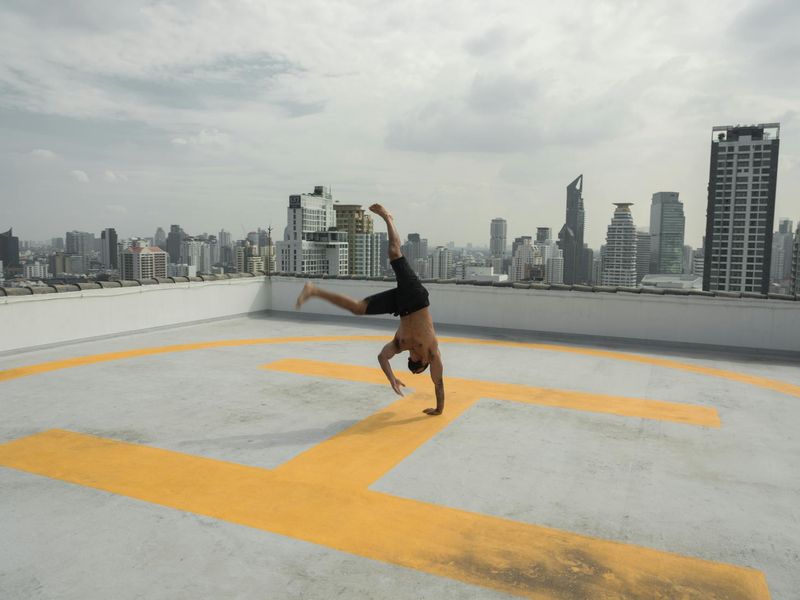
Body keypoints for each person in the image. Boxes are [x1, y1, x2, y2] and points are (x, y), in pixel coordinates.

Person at [295, 204, 445, 415]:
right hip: (417, 299)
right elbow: (438, 384)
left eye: (411, 360)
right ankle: (388, 217)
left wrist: (391, 378)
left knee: (358, 308)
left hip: (401, 306)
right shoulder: (432, 352)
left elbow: (382, 357)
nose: (413, 356)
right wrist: (439, 409)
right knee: (394, 252)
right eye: (416, 361)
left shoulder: (399, 345)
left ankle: (313, 291)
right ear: (425, 361)